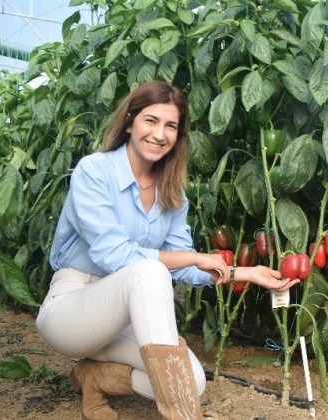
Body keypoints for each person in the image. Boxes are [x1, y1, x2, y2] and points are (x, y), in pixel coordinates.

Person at [36, 80, 298, 420]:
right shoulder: (95, 171)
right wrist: (194, 256)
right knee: (149, 271)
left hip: (123, 319)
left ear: (179, 136)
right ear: (130, 122)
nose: (160, 134)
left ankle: (95, 377)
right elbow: (114, 256)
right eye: (151, 120)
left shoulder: (172, 193)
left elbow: (182, 267)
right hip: (72, 309)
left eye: (171, 126)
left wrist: (242, 272)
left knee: (194, 382)